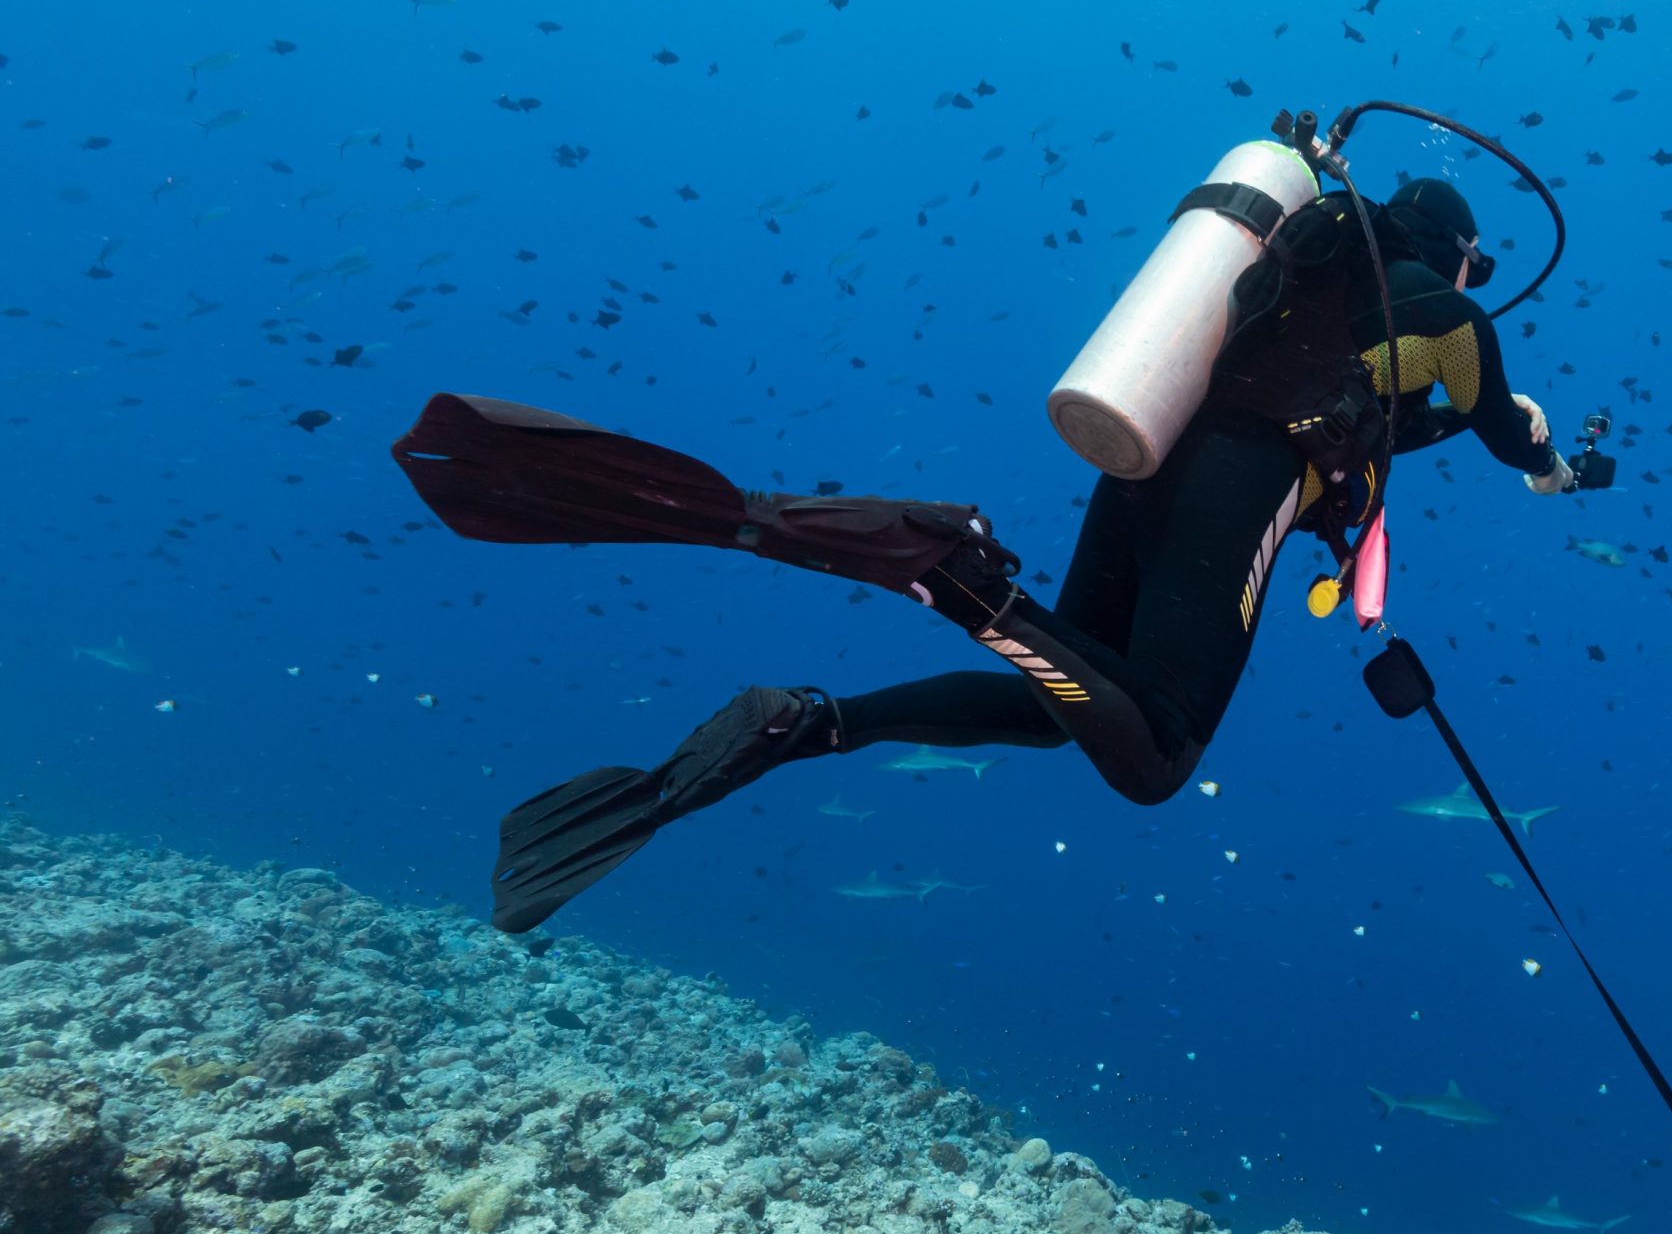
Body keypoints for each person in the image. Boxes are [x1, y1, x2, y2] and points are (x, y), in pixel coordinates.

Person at [393, 179, 1580, 933]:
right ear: (1455, 251)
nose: (1473, 284)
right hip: (1242, 484)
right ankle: (952, 576)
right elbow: (1488, 411)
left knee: (1067, 701)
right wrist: (1546, 459)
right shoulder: (1446, 311)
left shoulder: (1305, 279)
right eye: (1474, 266)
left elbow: (1382, 411)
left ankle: (817, 722)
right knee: (1155, 751)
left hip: (1147, 460)